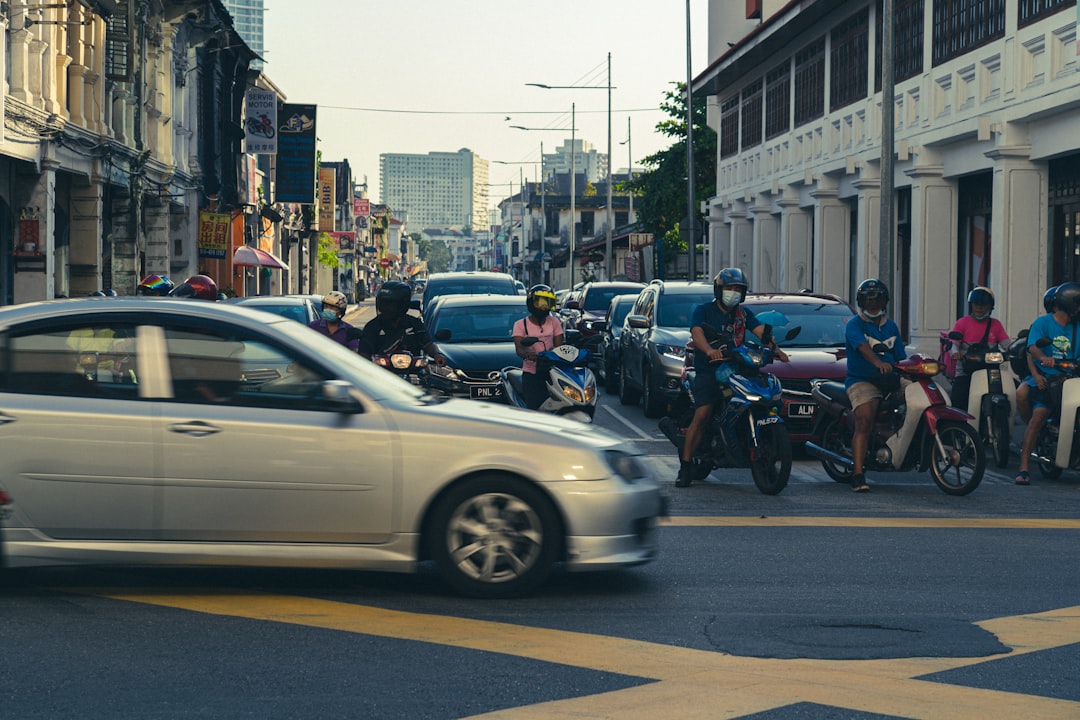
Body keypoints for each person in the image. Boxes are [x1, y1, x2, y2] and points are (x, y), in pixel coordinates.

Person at [676, 268, 789, 487]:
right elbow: (697, 332)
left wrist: (775, 349)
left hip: (737, 369)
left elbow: (760, 332)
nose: (733, 293)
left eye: (738, 289)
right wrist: (709, 350)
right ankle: (686, 466)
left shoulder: (743, 314)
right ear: (719, 290)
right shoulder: (703, 310)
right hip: (709, 370)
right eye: (729, 288)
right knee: (703, 414)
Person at [844, 278, 907, 492]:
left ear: (885, 301)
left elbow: (901, 357)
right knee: (865, 419)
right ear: (861, 302)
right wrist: (878, 363)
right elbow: (863, 347)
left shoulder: (891, 326)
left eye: (877, 299)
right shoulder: (855, 324)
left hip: (890, 381)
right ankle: (858, 473)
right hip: (862, 381)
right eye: (868, 300)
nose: (872, 304)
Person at [1014, 282, 1080, 485]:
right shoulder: (1043, 323)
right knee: (1038, 417)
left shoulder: (1078, 327)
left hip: (1074, 380)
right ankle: (1024, 468)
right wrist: (1044, 357)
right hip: (1051, 381)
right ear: (1068, 304)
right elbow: (1032, 347)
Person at [947, 286, 1010, 410]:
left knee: (1008, 395)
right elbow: (954, 345)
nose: (979, 308)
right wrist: (955, 353)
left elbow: (1007, 344)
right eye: (976, 304)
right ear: (971, 305)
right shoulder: (962, 323)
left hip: (991, 370)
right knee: (958, 401)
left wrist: (1015, 350)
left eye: (983, 305)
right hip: (966, 371)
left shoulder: (996, 324)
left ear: (990, 307)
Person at [358, 281, 445, 363]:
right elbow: (364, 353)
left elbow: (428, 344)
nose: (385, 308)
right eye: (383, 304)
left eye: (390, 304)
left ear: (402, 305)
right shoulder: (372, 327)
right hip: (380, 374)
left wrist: (437, 355)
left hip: (413, 373)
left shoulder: (415, 324)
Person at [512, 284, 564, 410]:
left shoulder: (554, 322)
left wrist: (553, 355)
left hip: (553, 371)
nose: (543, 306)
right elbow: (519, 348)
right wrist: (527, 354)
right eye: (540, 302)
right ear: (531, 303)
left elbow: (559, 346)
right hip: (532, 373)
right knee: (534, 408)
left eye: (546, 302)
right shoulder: (520, 325)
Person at [1015, 285, 1058, 425]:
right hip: (1041, 373)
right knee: (1021, 393)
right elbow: (1030, 353)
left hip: (1064, 375)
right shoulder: (1041, 324)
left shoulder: (1073, 326)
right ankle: (1031, 427)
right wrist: (1036, 375)